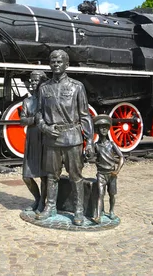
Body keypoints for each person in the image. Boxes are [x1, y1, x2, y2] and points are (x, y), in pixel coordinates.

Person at [35, 49, 93, 225]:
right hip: (52, 139)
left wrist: (89, 140)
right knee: (51, 175)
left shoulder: (77, 87)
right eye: (53, 61)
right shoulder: (44, 88)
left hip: (72, 138)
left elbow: (85, 115)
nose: (55, 64)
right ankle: (50, 206)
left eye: (59, 61)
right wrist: (45, 127)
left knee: (76, 176)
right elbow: (38, 114)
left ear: (66, 64)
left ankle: (78, 210)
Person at [20, 70, 48, 213]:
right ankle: (37, 198)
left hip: (44, 138)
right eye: (31, 81)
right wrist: (33, 120)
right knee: (26, 176)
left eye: (36, 81)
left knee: (44, 175)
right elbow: (22, 120)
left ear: (42, 82)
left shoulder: (48, 100)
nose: (32, 84)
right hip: (31, 138)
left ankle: (42, 202)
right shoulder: (27, 101)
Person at [91, 114, 124, 223]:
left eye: (106, 127)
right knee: (100, 194)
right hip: (101, 174)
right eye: (101, 127)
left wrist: (117, 171)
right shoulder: (96, 146)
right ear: (97, 130)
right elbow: (91, 157)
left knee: (112, 194)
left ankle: (111, 211)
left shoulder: (111, 144)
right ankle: (98, 216)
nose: (104, 129)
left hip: (111, 174)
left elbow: (121, 157)